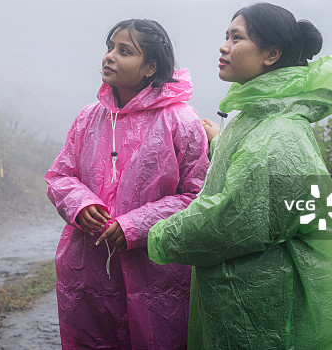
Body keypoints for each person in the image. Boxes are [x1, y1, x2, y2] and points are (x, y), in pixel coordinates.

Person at [148, 3, 332, 349]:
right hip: (251, 301)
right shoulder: (260, 117)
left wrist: (156, 235)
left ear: (271, 54)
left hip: (268, 310)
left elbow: (233, 218)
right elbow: (253, 171)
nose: (224, 46)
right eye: (226, 36)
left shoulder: (278, 131)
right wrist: (218, 143)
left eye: (236, 38)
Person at [46, 18, 210, 349]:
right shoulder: (89, 117)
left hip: (156, 271)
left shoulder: (180, 120)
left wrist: (135, 225)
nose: (110, 56)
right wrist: (81, 204)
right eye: (110, 48)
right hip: (90, 268)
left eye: (124, 51)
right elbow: (60, 175)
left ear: (150, 67)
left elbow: (197, 195)